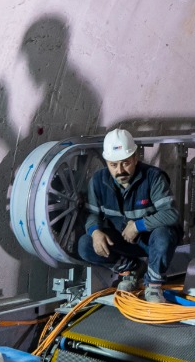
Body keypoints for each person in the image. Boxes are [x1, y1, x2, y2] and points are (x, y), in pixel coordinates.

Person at [76, 128, 181, 302]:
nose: (120, 170)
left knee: (164, 234)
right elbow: (92, 214)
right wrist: (95, 232)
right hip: (123, 240)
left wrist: (139, 225)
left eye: (125, 163)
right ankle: (130, 269)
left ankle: (153, 285)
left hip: (152, 242)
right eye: (113, 165)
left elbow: (171, 214)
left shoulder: (153, 177)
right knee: (85, 244)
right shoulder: (98, 181)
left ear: (135, 157)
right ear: (107, 162)